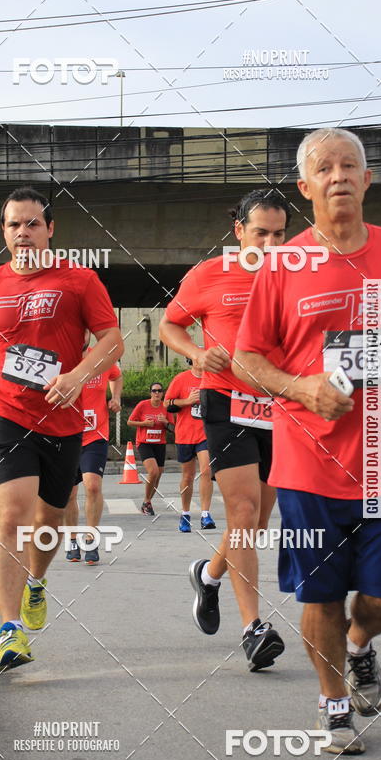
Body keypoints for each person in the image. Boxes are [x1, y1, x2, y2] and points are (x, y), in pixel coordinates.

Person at [232, 128, 381, 753]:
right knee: (322, 593)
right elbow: (247, 357)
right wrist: (300, 388)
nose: (340, 175)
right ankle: (333, 710)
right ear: (306, 187)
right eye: (325, 168)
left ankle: (360, 646)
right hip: (308, 465)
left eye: (351, 165)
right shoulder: (283, 263)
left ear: (368, 180)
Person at [0, 186, 123, 671]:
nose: (24, 231)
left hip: (61, 421)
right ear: (3, 232)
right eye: (14, 224)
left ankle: (36, 584)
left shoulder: (79, 280)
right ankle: (9, 630)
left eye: (33, 223)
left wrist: (78, 375)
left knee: (50, 522)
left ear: (50, 229)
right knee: (11, 516)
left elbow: (112, 339)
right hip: (3, 413)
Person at [159, 188, 290, 672]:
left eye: (280, 233)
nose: (272, 243)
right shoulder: (210, 274)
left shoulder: (300, 275)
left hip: (279, 407)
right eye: (261, 233)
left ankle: (209, 575)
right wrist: (196, 354)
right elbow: (169, 326)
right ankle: (254, 628)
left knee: (254, 523)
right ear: (240, 231)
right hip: (225, 401)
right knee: (242, 509)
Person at [65, 332, 123, 565]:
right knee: (69, 494)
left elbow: (116, 377)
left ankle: (91, 538)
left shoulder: (100, 358)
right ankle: (71, 539)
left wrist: (115, 396)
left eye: (84, 329)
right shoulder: (60, 360)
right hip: (66, 436)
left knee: (93, 486)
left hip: (95, 434)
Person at [164, 359, 215, 532]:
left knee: (206, 470)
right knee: (188, 476)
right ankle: (185, 514)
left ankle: (205, 514)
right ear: (191, 361)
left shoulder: (213, 378)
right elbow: (167, 403)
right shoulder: (181, 379)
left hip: (206, 434)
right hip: (185, 435)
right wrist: (187, 401)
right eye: (198, 357)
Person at [127, 384, 174, 515]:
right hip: (144, 443)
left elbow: (173, 428)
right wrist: (144, 424)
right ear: (150, 393)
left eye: (159, 391)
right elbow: (130, 422)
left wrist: (165, 421)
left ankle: (147, 502)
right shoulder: (143, 405)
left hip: (160, 443)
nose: (157, 393)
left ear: (163, 393)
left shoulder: (166, 407)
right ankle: (147, 502)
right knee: (153, 471)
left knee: (158, 474)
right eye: (154, 391)